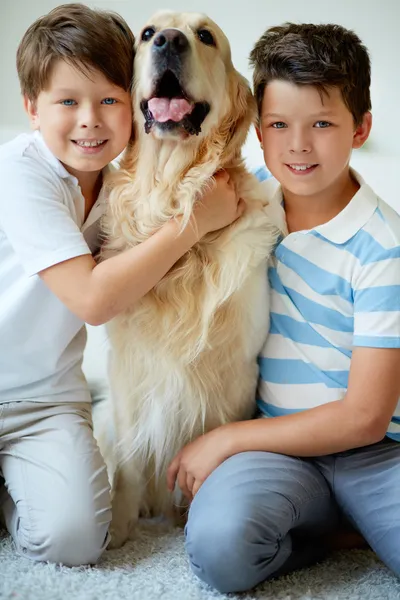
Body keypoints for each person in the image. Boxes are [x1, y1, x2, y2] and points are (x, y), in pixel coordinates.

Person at [0, 3, 243, 566]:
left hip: (47, 404)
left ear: (136, 103)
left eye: (109, 100)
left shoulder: (121, 188)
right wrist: (196, 222)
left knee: (77, 541)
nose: (90, 120)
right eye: (68, 102)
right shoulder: (20, 171)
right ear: (31, 108)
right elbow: (94, 300)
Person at [167, 22, 400, 593]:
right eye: (278, 125)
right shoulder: (245, 206)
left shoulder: (385, 248)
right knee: (220, 551)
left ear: (360, 128)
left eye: (322, 124)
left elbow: (365, 416)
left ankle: (351, 516)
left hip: (379, 452)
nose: (298, 145)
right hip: (282, 449)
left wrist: (226, 438)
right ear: (258, 130)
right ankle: (327, 528)